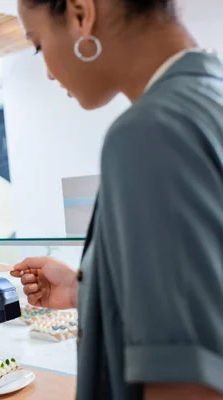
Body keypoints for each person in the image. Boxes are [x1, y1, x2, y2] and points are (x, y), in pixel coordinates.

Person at [11, 0, 223, 399]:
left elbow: (186, 377)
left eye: (38, 45)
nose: (48, 72)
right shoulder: (209, 98)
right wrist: (84, 291)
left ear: (80, 14)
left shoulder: (150, 132)